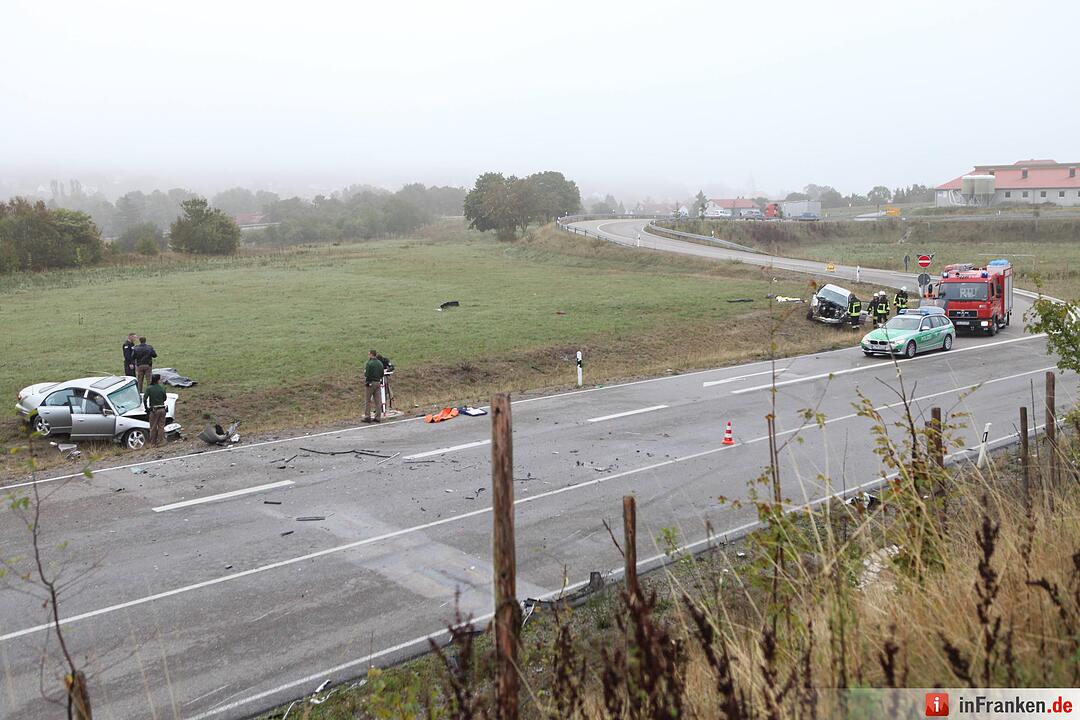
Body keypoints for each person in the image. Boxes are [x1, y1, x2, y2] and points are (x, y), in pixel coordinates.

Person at [144, 373, 167, 446]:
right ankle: (161, 441)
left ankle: (153, 443)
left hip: (154, 410)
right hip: (162, 409)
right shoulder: (162, 388)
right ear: (158, 380)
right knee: (161, 426)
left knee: (153, 427)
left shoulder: (149, 388)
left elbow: (144, 399)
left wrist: (146, 408)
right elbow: (165, 398)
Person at [363, 349, 385, 423]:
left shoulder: (369, 363)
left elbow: (367, 374)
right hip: (378, 382)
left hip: (371, 383)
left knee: (367, 400)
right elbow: (382, 373)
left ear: (372, 354)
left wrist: (367, 381)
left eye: (369, 354)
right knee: (378, 401)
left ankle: (367, 416)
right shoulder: (380, 363)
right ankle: (378, 417)